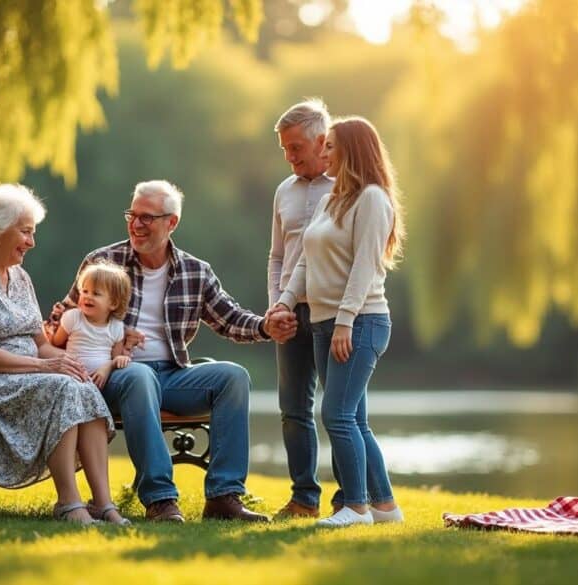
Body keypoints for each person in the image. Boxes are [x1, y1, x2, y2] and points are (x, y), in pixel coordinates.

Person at [47, 180, 297, 523]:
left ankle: (224, 497)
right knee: (139, 375)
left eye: (147, 218)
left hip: (172, 373)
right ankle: (161, 500)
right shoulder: (103, 262)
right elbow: (67, 319)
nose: (136, 224)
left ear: (171, 222)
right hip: (116, 374)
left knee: (233, 377)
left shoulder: (195, 271)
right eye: (132, 215)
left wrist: (266, 327)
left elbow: (230, 318)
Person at [0, 183, 129, 526]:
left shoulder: (21, 277)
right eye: (25, 232)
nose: (31, 242)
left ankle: (104, 504)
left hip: (23, 376)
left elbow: (41, 342)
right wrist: (45, 366)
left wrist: (70, 364)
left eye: (32, 232)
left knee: (79, 385)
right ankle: (69, 504)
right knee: (61, 388)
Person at [274, 116, 406, 527]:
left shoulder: (371, 199)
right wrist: (283, 301)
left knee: (337, 415)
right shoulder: (337, 198)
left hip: (361, 321)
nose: (323, 152)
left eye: (330, 146)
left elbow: (366, 267)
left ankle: (356, 507)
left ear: (350, 150)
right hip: (323, 321)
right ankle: (385, 506)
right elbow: (304, 261)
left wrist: (346, 321)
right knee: (354, 418)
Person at [268, 99, 333, 519]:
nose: (290, 157)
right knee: (293, 409)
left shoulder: (348, 186)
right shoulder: (283, 192)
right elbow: (277, 256)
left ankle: (351, 499)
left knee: (341, 412)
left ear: (321, 141)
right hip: (290, 317)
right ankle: (304, 498)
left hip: (332, 314)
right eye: (285, 150)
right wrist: (276, 307)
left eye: (296, 147)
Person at [51, 261, 133, 389]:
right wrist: (55, 323)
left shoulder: (116, 327)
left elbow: (115, 358)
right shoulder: (73, 317)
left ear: (113, 303)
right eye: (85, 291)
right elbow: (56, 342)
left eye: (96, 293)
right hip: (72, 378)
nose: (88, 297)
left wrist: (117, 362)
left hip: (101, 382)